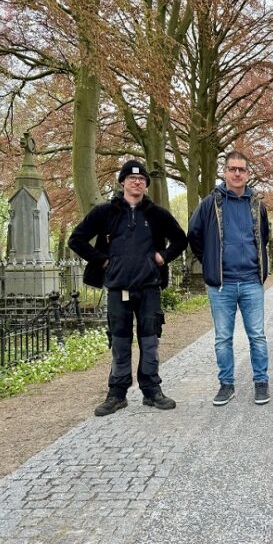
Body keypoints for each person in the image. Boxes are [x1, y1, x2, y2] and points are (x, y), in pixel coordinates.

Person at [69, 159, 188, 416]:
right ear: (122, 181)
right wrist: (102, 260)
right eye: (132, 178)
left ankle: (151, 390)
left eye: (142, 179)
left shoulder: (157, 214)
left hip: (149, 288)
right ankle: (117, 393)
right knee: (120, 341)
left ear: (146, 184)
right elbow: (76, 239)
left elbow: (180, 239)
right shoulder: (105, 212)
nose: (137, 182)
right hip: (117, 288)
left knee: (150, 340)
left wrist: (163, 257)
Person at [187, 150, 271, 406]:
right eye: (232, 168)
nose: (237, 173)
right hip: (222, 284)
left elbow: (263, 236)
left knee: (257, 335)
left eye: (241, 169)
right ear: (224, 172)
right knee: (223, 338)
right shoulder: (210, 203)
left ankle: (261, 382)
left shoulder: (257, 205)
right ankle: (226, 384)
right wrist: (210, 260)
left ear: (247, 173)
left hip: (251, 281)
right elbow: (194, 234)